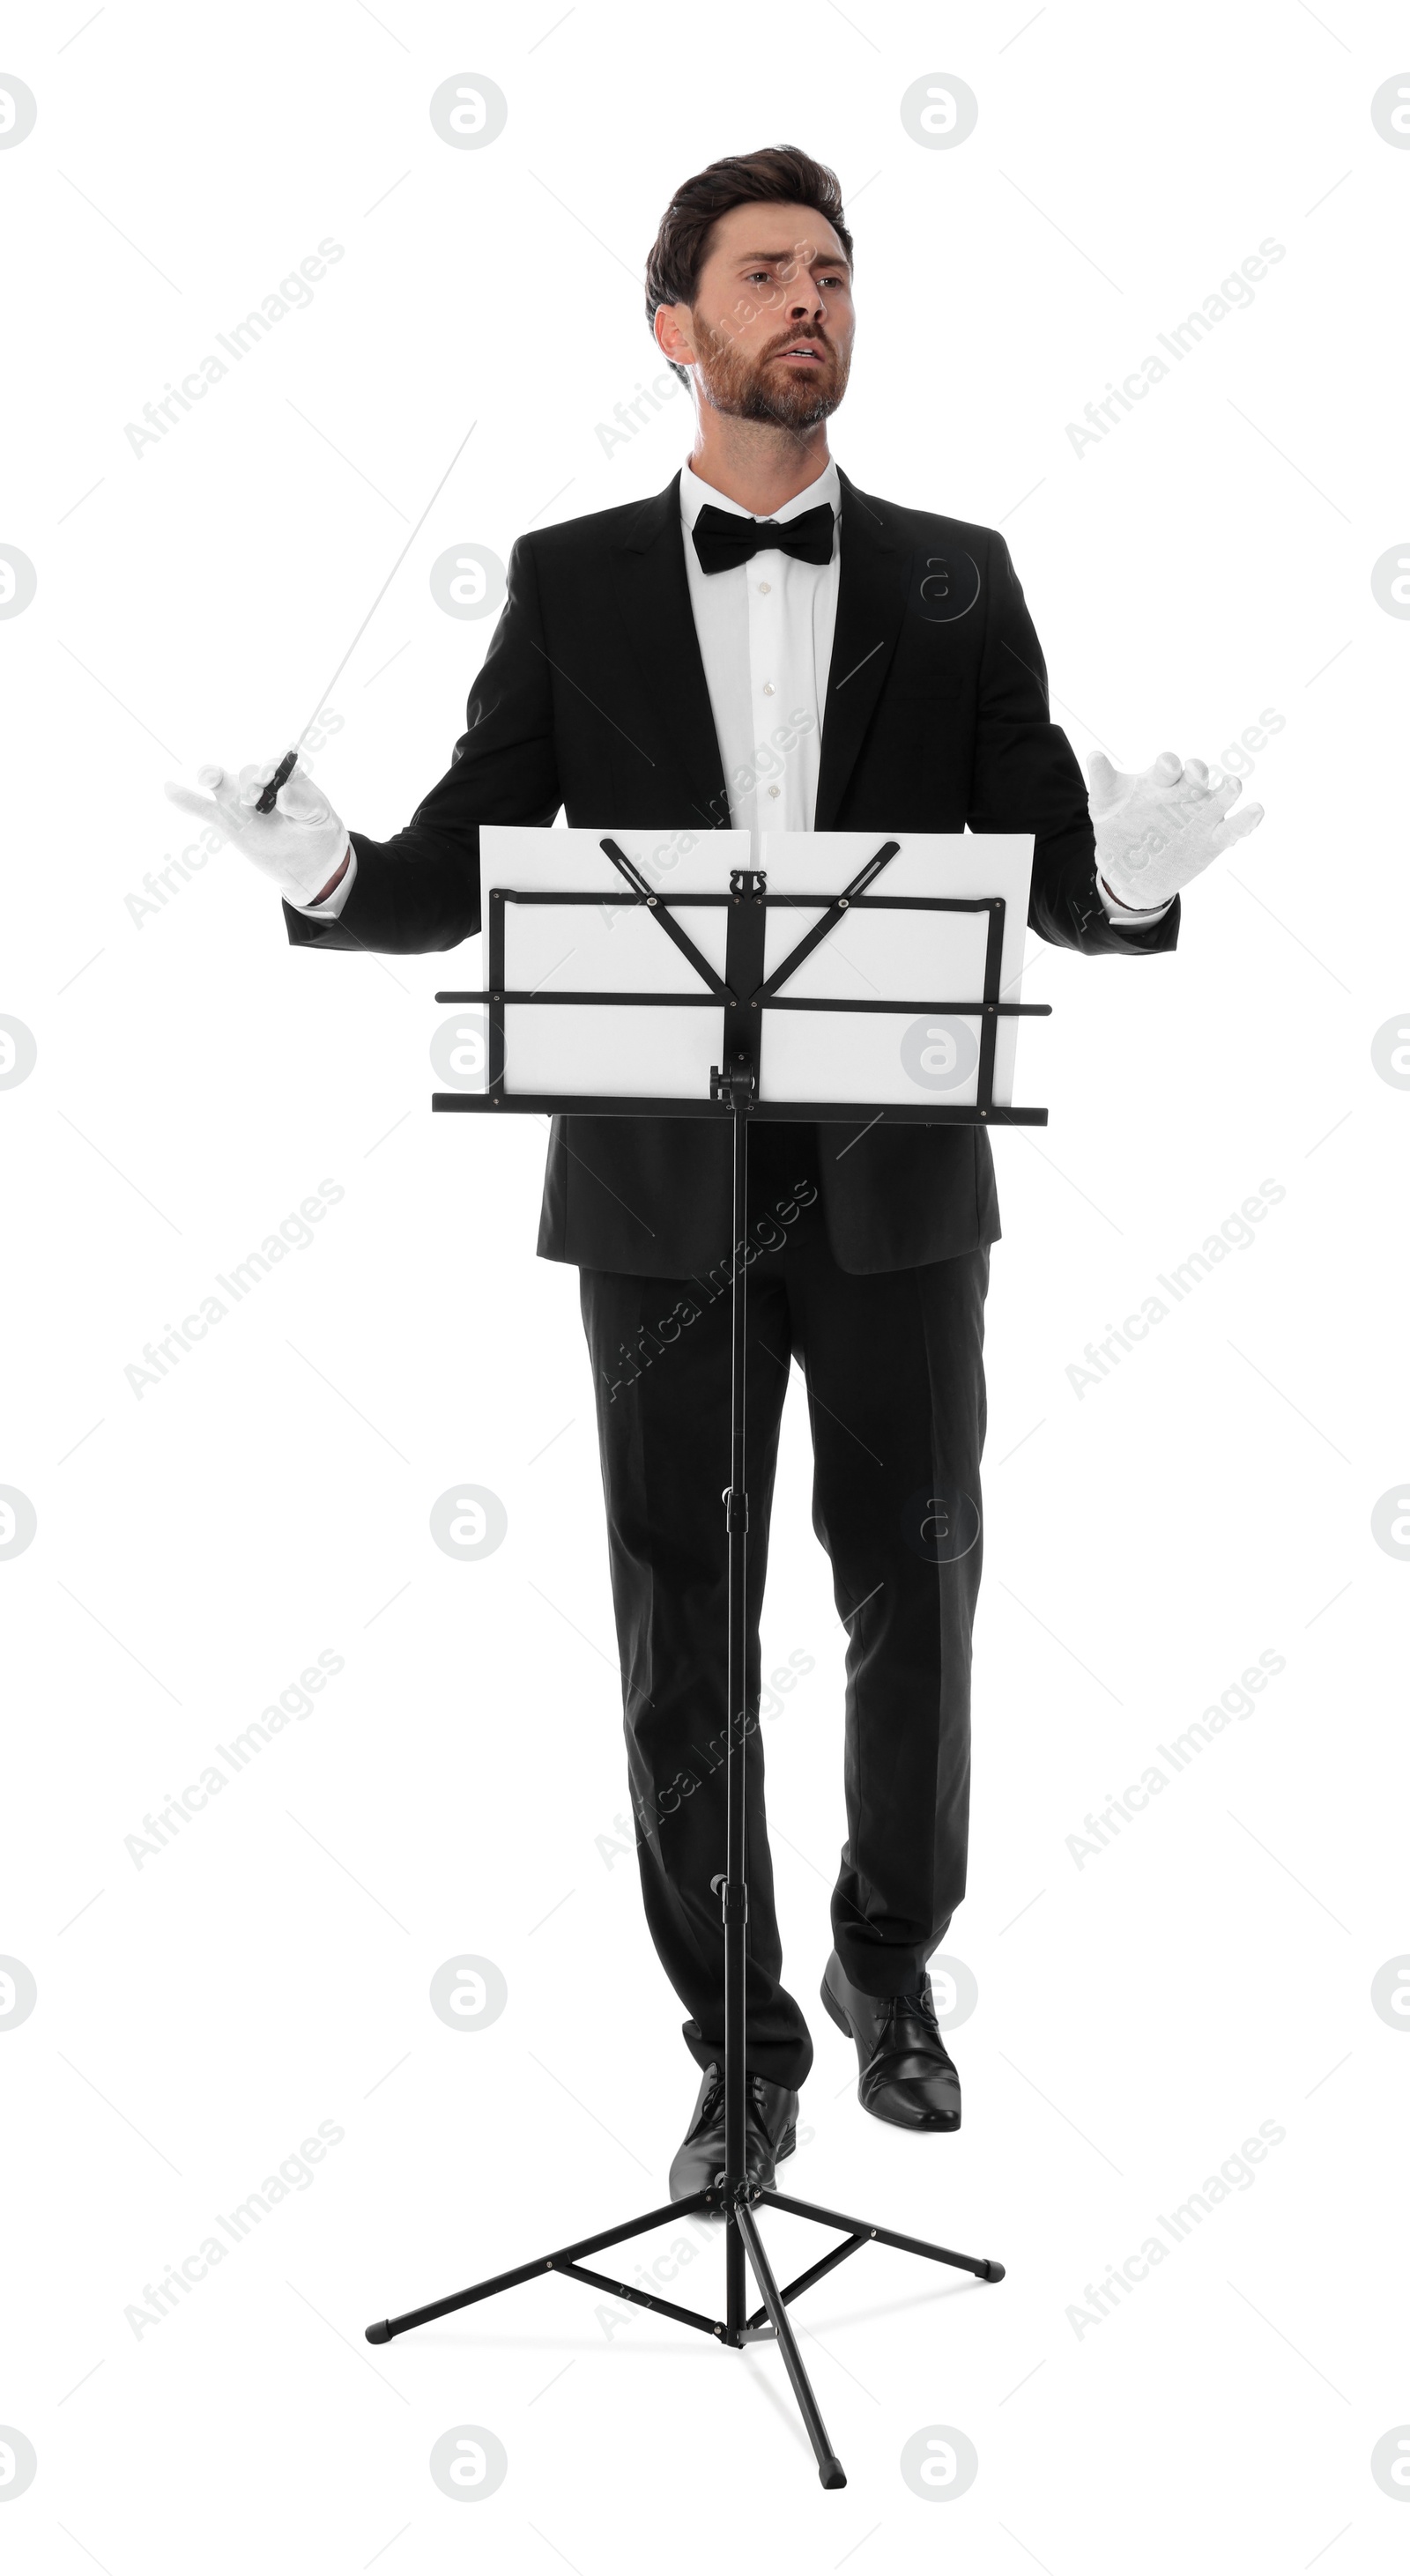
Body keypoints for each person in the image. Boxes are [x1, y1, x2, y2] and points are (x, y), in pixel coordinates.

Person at [167, 144, 1263, 2203]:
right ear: (672, 325)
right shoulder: (569, 579)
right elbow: (457, 866)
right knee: (682, 1616)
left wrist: (1133, 878)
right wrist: (315, 860)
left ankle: (883, 1972)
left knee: (909, 1584)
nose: (807, 303)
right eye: (763, 274)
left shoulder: (959, 573)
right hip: (657, 1194)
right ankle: (734, 2045)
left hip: (897, 1186)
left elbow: (1043, 861)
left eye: (832, 272)